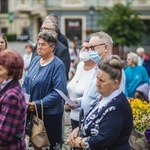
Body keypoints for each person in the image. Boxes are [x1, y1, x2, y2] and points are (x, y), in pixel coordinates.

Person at [68, 55, 133, 150]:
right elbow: (92, 118)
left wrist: (80, 142)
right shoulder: (103, 96)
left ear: (115, 83)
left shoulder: (116, 106)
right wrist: (79, 129)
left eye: (102, 80)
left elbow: (104, 139)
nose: (97, 83)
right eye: (97, 78)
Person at [23, 30, 67, 150]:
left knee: (50, 145)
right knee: (36, 144)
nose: (39, 47)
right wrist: (24, 99)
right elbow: (26, 82)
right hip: (33, 112)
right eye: (38, 44)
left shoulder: (58, 65)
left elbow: (59, 91)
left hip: (50, 114)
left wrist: (37, 103)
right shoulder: (35, 60)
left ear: (52, 47)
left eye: (43, 44)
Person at [67, 31, 126, 117]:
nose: (90, 51)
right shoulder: (98, 67)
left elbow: (110, 103)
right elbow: (94, 97)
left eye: (92, 48)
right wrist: (79, 102)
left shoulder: (114, 70)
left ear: (105, 48)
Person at [67, 38, 97, 130]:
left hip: (86, 118)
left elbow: (95, 96)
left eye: (87, 48)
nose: (83, 49)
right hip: (73, 116)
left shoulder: (97, 70)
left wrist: (78, 102)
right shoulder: (80, 65)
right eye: (82, 47)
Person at [0, 49, 26, 149]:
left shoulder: (12, 96)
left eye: (0, 69)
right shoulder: (6, 87)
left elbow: (4, 135)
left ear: (11, 73)